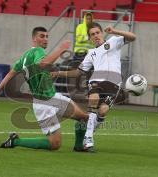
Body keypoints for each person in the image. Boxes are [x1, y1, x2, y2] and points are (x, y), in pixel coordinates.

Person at [0, 27, 94, 151]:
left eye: (47, 36)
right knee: (55, 144)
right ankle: (15, 141)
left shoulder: (25, 57)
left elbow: (11, 73)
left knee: (84, 117)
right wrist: (61, 49)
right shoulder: (38, 51)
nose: (45, 39)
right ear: (34, 39)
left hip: (54, 97)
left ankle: (78, 146)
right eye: (42, 36)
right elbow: (43, 64)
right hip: (44, 104)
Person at [52, 22, 136, 151]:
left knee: (103, 111)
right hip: (96, 81)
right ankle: (88, 139)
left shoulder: (113, 41)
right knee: (94, 99)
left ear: (102, 33)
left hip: (114, 83)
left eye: (97, 33)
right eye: (92, 34)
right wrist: (59, 72)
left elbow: (132, 37)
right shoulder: (91, 53)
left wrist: (114, 31)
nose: (96, 36)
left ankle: (87, 132)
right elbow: (78, 72)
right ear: (90, 38)